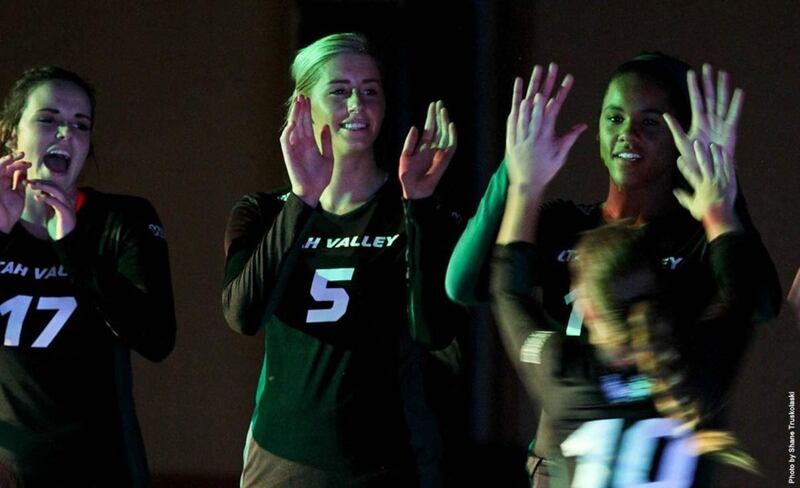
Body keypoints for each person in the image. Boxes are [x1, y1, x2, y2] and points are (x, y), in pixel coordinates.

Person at [445, 54, 782, 485]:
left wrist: (720, 188)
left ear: (682, 138)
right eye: (615, 118)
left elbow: (760, 301)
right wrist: (512, 170)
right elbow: (462, 284)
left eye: (650, 123)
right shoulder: (563, 224)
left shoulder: (692, 238)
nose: (628, 134)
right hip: (559, 463)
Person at [222, 32, 462, 487]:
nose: (357, 103)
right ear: (302, 104)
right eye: (339, 91)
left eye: (370, 91)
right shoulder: (263, 211)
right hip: (284, 456)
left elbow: (435, 330)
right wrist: (302, 200)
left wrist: (421, 208)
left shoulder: (414, 205)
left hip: (389, 458)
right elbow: (243, 315)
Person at [0, 67, 176, 486]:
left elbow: (156, 337)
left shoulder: (121, 220)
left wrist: (72, 245)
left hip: (99, 469)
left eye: (80, 125)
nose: (66, 134)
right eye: (48, 119)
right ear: (10, 135)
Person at [491, 220, 760, 487]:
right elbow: (742, 294)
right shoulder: (701, 365)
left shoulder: (563, 370)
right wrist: (719, 212)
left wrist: (524, 187)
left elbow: (508, 293)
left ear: (588, 308)